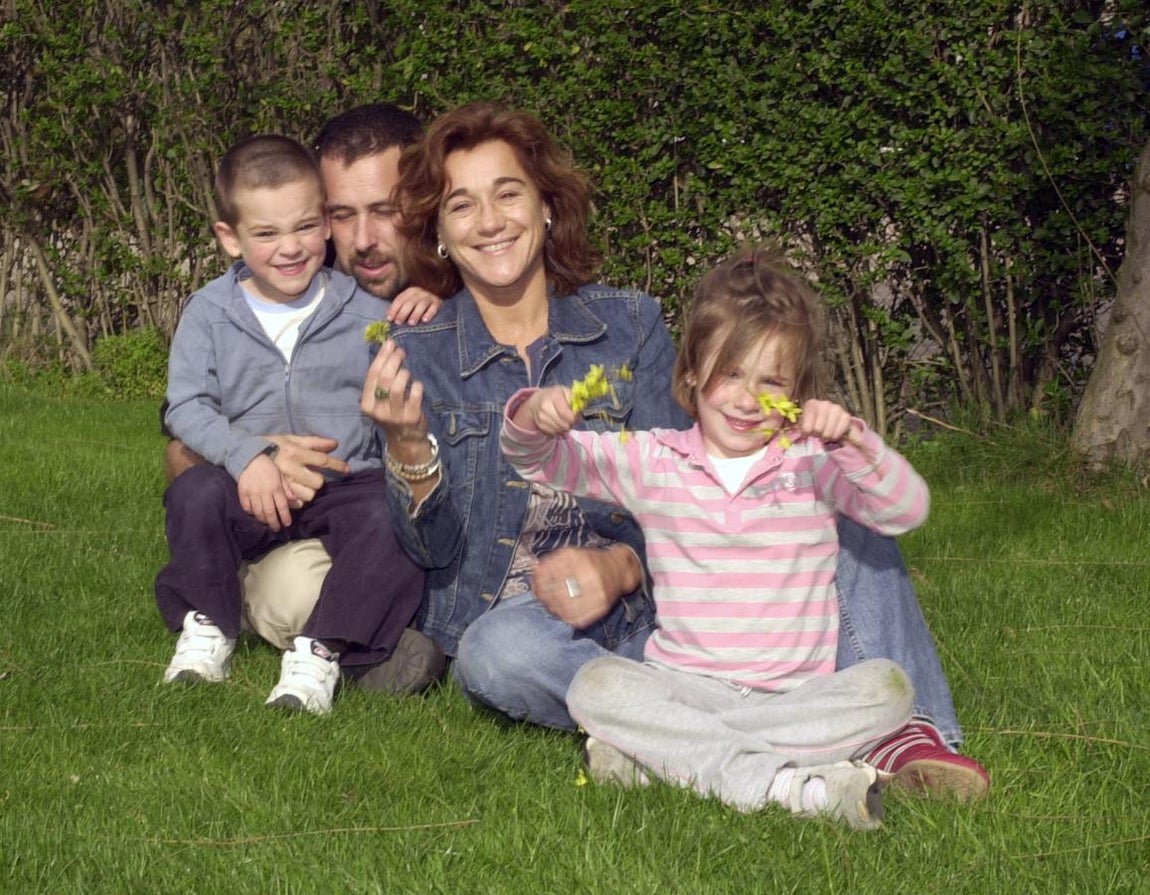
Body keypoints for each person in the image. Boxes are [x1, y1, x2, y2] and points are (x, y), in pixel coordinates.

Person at [359, 101, 987, 798]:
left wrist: (621, 565)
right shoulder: (416, 351)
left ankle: (911, 736)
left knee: (833, 496)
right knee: (494, 654)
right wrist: (408, 442)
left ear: (545, 207)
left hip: (667, 603)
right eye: (461, 205)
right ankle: (779, 739)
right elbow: (431, 554)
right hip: (533, 629)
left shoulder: (629, 323)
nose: (490, 221)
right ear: (440, 234)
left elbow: (692, 468)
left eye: (509, 193)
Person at [501, 245, 933, 828]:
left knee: (890, 688)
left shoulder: (814, 465)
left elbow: (907, 509)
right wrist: (534, 416)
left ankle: (661, 758)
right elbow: (539, 462)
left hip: (796, 696)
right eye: (730, 372)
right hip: (684, 687)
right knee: (595, 685)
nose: (747, 398)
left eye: (770, 380)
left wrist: (855, 442)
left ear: (796, 393)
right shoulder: (652, 460)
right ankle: (792, 788)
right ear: (692, 373)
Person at [162, 104, 446, 696]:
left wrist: (429, 316)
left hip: (345, 486)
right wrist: (250, 454)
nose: (289, 248)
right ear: (229, 238)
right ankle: (209, 624)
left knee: (385, 515)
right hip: (255, 489)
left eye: (305, 227)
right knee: (194, 493)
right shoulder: (212, 312)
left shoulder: (371, 313)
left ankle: (325, 649)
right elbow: (185, 413)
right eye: (265, 234)